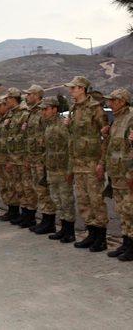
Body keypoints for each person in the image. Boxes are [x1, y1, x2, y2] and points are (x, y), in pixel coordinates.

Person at [64, 76, 109, 252]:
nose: (71, 91)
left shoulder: (95, 108)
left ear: (82, 88)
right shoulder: (73, 108)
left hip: (92, 163)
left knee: (96, 200)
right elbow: (74, 137)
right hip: (78, 163)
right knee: (83, 201)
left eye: (73, 88)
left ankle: (101, 238)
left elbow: (106, 136)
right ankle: (91, 234)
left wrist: (101, 163)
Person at [39, 96, 76, 243]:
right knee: (57, 200)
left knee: (66, 200)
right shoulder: (48, 126)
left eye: (46, 109)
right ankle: (63, 229)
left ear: (55, 109)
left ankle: (70, 231)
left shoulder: (63, 125)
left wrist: (70, 170)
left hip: (62, 170)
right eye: (42, 109)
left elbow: (71, 148)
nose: (43, 112)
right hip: (52, 169)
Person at [102, 89, 133, 260]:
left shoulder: (131, 118)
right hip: (117, 174)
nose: (110, 103)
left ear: (122, 101)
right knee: (122, 210)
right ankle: (126, 242)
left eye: (113, 100)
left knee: (131, 210)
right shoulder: (117, 120)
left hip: (128, 175)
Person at [23, 85, 57, 234]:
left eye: (29, 94)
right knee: (39, 190)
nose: (27, 97)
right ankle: (44, 220)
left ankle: (49, 221)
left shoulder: (41, 113)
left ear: (37, 95)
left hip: (42, 158)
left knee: (44, 190)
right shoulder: (31, 113)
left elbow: (47, 136)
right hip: (33, 157)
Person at [4, 88, 33, 227]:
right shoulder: (12, 114)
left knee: (27, 187)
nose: (6, 101)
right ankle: (24, 214)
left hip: (22, 158)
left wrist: (27, 158)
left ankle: (29, 216)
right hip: (14, 157)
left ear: (13, 98)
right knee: (19, 187)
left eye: (7, 99)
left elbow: (27, 138)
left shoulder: (24, 114)